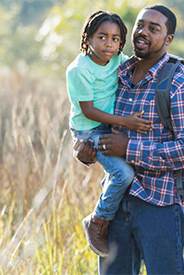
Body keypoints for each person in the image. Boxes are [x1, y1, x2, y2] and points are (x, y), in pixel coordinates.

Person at [74, 5, 184, 274]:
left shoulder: (180, 81)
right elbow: (92, 120)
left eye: (154, 29)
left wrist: (129, 148)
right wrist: (84, 148)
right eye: (140, 25)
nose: (143, 32)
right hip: (116, 205)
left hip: (160, 205)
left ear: (168, 39)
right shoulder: (117, 73)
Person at [66, 10, 153, 257]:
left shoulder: (117, 60)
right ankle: (97, 220)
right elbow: (89, 111)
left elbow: (145, 61)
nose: (109, 44)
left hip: (112, 126)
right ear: (88, 38)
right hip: (89, 129)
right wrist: (126, 122)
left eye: (115, 39)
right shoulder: (78, 70)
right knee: (123, 174)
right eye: (102, 37)